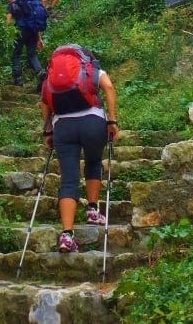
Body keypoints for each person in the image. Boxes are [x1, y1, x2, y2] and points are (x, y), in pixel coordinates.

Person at [40, 46, 119, 253]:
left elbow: (45, 102)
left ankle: (67, 234)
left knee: (68, 180)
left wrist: (48, 131)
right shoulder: (92, 69)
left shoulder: (52, 76)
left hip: (63, 128)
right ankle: (92, 210)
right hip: (92, 122)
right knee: (93, 162)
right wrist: (112, 120)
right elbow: (109, 88)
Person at [6, 0, 46, 87]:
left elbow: (7, 22)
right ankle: (40, 73)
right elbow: (34, 22)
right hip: (33, 31)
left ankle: (18, 79)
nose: (7, 0)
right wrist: (39, 39)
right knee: (32, 55)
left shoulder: (13, 5)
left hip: (20, 31)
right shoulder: (28, 4)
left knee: (16, 54)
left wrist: (6, 32)